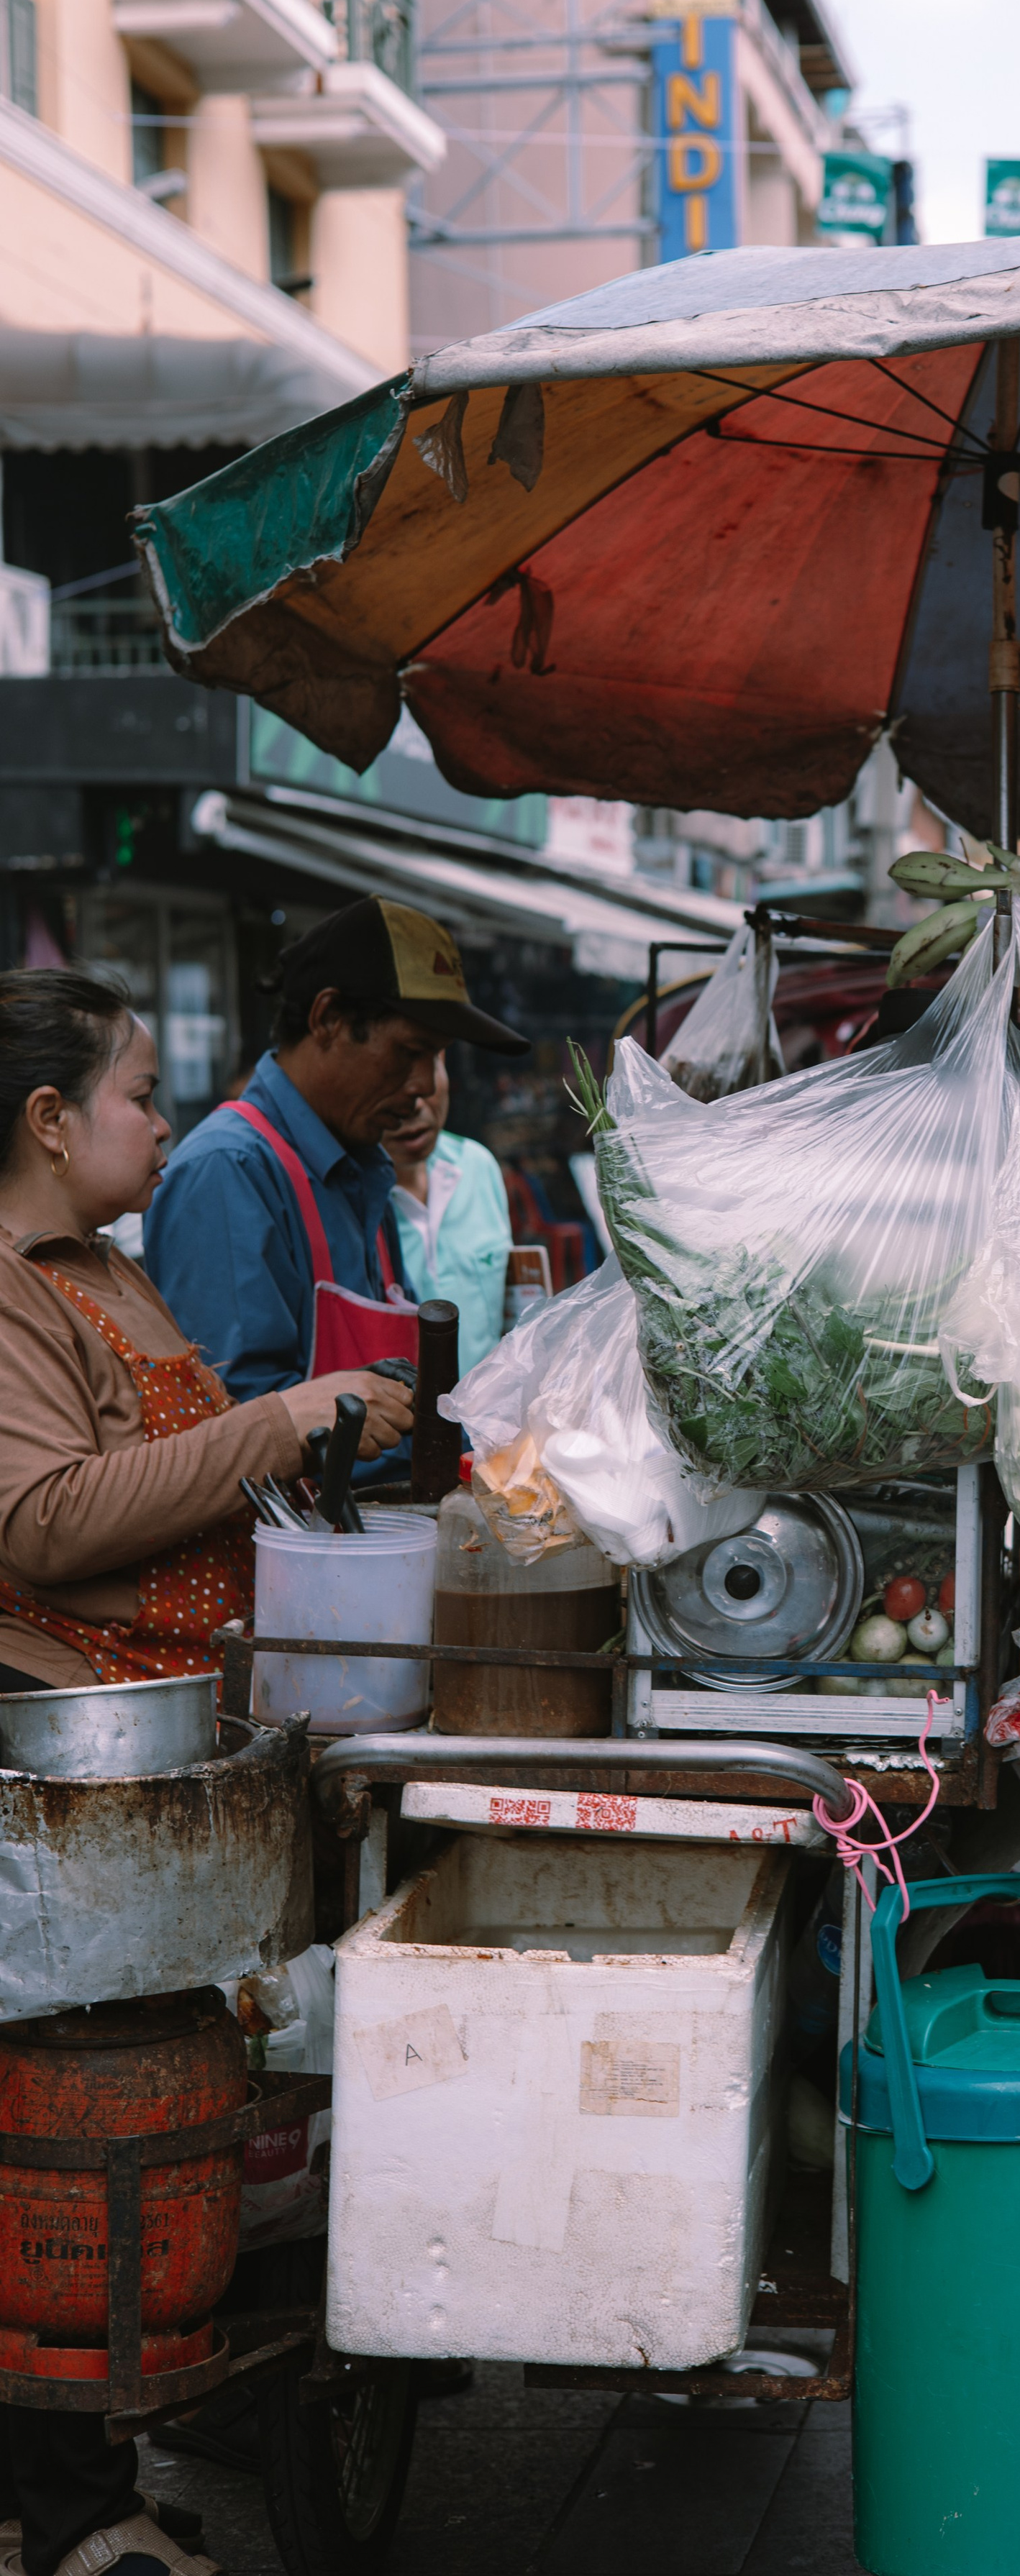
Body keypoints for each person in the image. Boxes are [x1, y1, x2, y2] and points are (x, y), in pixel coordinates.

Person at [0, 970, 411, 2572]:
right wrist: (282, 1420)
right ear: (48, 1120)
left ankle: (146, 2420)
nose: (165, 1125)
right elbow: (39, 1519)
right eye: (137, 1095)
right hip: (78, 1766)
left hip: (178, 1750)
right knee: (71, 2118)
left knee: (188, 2088)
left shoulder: (107, 1268)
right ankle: (71, 2501)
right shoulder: (14, 1289)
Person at [145, 899, 527, 1447]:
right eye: (409, 1052)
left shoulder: (363, 1167)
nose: (423, 1084)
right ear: (328, 1020)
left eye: (436, 1057)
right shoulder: (228, 1174)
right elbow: (229, 1428)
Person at [379, 1052, 514, 1379]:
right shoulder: (354, 1197)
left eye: (424, 1070)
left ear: (442, 1062)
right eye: (391, 1078)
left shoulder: (478, 1166)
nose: (413, 1106)